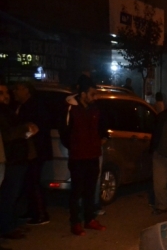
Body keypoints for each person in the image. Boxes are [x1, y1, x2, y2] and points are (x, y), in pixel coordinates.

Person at [58, 76, 108, 236]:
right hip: (78, 157)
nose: (95, 97)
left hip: (93, 155)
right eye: (92, 94)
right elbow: (64, 132)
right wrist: (75, 146)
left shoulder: (96, 108)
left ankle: (89, 219)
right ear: (83, 93)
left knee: (90, 190)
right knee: (76, 191)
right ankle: (75, 222)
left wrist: (103, 137)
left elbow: (103, 126)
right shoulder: (71, 109)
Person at [0, 83, 39, 249]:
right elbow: (7, 134)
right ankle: (6, 227)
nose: (6, 96)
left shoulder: (9, 109)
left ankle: (10, 224)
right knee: (8, 196)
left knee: (12, 195)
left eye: (6, 92)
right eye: (1, 93)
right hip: (11, 159)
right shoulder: (2, 111)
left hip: (18, 158)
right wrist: (25, 128)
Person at [14, 82, 52, 225]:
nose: (15, 92)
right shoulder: (23, 106)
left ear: (27, 91)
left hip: (35, 150)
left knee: (33, 181)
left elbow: (37, 128)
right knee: (29, 181)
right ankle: (33, 211)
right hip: (30, 150)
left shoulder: (34, 106)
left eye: (18, 89)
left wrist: (25, 134)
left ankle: (40, 213)